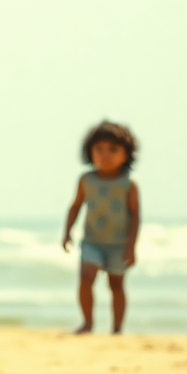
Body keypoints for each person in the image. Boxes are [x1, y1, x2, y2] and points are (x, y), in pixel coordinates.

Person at [62, 120, 140, 335]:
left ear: (126, 154)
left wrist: (132, 247)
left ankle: (117, 329)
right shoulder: (86, 180)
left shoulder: (128, 183)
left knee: (116, 285)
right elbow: (75, 206)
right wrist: (67, 232)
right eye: (99, 149)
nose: (105, 155)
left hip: (119, 244)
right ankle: (87, 323)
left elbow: (135, 216)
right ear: (89, 152)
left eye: (113, 150)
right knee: (86, 277)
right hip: (92, 241)